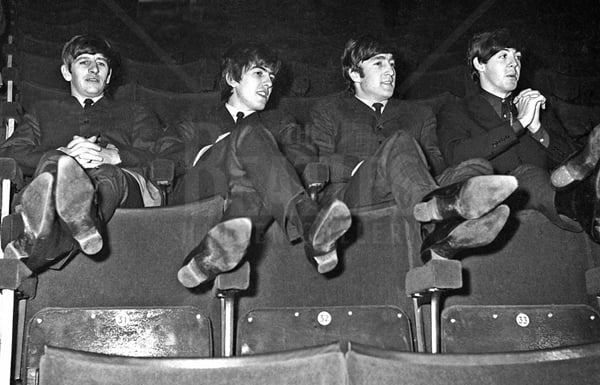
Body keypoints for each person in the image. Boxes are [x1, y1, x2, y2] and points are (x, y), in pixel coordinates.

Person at [307, 35, 519, 264]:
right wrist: (371, 165)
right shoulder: (328, 109)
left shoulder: (419, 113)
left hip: (411, 184)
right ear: (355, 74)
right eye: (379, 63)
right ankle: (438, 218)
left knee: (479, 165)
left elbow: (438, 162)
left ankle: (445, 233)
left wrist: (411, 162)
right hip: (356, 191)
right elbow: (319, 160)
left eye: (392, 64)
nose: (390, 71)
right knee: (400, 141)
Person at [170, 42, 352, 288]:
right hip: (199, 190)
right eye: (259, 73)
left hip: (251, 198)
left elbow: (303, 153)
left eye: (271, 77)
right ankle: (310, 222)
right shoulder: (197, 117)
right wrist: (224, 146)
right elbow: (168, 152)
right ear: (232, 78)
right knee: (249, 134)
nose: (268, 83)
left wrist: (264, 152)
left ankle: (206, 258)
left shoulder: (281, 121)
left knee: (253, 188)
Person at [0, 34, 183, 272]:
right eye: (84, 61)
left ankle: (39, 243)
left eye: (102, 63)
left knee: (109, 174)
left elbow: (170, 155)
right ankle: (75, 229)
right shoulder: (42, 111)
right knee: (56, 162)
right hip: (54, 181)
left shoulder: (136, 112)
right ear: (67, 72)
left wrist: (117, 156)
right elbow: (9, 153)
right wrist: (63, 154)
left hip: (118, 185)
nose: (94, 68)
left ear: (108, 77)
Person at [436, 28, 600, 242]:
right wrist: (519, 124)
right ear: (480, 64)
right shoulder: (457, 109)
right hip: (494, 200)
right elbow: (456, 156)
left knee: (563, 173)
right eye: (503, 56)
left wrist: (536, 129)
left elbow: (572, 163)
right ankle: (584, 211)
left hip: (546, 191)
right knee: (529, 174)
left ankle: (582, 208)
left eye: (517, 57)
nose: (514, 63)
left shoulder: (534, 107)